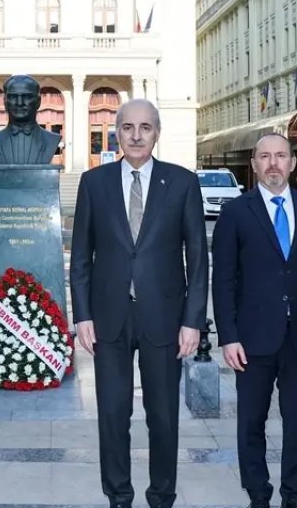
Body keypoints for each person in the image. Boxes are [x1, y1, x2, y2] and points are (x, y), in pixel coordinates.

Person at [69, 98, 208, 508]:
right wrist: (82, 315)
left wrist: (193, 320)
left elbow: (198, 259)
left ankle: (162, 495)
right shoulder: (94, 184)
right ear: (116, 131)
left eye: (145, 127)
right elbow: (81, 257)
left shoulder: (182, 183)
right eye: (127, 127)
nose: (135, 135)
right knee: (113, 415)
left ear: (157, 133)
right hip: (108, 319)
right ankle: (118, 495)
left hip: (164, 318)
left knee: (162, 416)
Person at [212, 133, 297, 508]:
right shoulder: (236, 212)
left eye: (280, 156)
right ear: (253, 165)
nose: (273, 163)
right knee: (251, 422)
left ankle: (294, 496)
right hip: (251, 340)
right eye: (265, 157)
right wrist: (228, 336)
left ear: (293, 162)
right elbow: (223, 279)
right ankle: (258, 493)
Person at [0, 74, 63, 164]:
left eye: (27, 97)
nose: (19, 103)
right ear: (5, 102)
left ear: (38, 102)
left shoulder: (51, 140)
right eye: (13, 97)